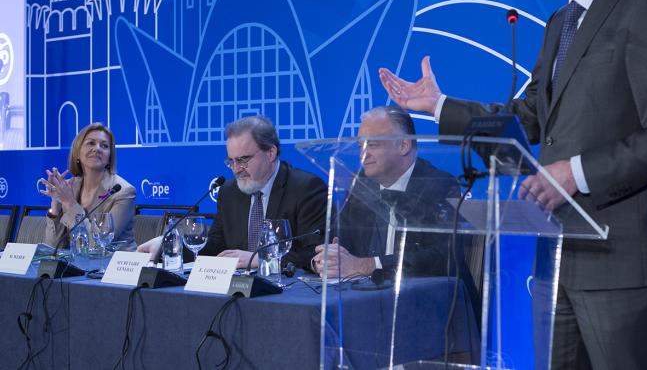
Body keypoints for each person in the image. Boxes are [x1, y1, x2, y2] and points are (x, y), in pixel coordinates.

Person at [379, 0, 647, 369]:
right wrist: (439, 106)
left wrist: (574, 173)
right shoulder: (561, 23)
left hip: (625, 262)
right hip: (558, 259)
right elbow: (530, 118)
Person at [139, 115, 327, 270]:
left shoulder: (306, 188)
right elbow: (214, 245)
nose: (236, 169)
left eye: (243, 160)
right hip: (237, 289)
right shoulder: (229, 191)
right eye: (231, 161)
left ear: (270, 153)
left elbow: (315, 252)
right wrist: (168, 244)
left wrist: (261, 258)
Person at [312, 106, 460, 279]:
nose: (363, 155)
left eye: (372, 145)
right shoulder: (360, 183)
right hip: (363, 291)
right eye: (360, 146)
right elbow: (336, 240)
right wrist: (325, 260)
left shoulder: (440, 186)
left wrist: (367, 265)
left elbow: (441, 257)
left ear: (403, 145)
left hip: (421, 292)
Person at [39, 122, 137, 250]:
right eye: (91, 143)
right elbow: (52, 247)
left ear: (109, 157)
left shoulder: (123, 192)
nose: (97, 149)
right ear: (77, 153)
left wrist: (70, 203)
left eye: (104, 146)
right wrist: (55, 206)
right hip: (78, 262)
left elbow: (97, 247)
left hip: (115, 261)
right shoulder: (70, 187)